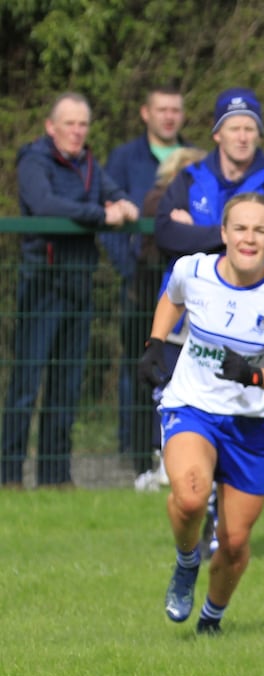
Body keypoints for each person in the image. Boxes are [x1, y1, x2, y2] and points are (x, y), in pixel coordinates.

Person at [137, 192, 264, 633]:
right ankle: (186, 560)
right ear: (223, 233)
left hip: (251, 424)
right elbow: (171, 297)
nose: (249, 238)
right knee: (192, 494)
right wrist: (156, 343)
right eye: (240, 228)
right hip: (192, 406)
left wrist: (254, 378)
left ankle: (211, 620)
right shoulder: (193, 269)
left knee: (235, 542)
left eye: (260, 230)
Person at [1, 92, 139, 489]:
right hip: (41, 284)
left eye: (83, 124)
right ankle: (8, 476)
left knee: (66, 384)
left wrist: (123, 205)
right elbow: (44, 205)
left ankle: (55, 477)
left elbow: (118, 196)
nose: (78, 131)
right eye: (70, 124)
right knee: (27, 384)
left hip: (80, 285)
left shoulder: (90, 165)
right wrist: (100, 214)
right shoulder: (33, 161)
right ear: (51, 127)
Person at [102, 86, 187, 459]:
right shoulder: (123, 158)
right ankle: (131, 446)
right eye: (161, 109)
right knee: (137, 364)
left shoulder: (195, 158)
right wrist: (127, 264)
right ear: (145, 113)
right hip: (141, 281)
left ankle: (167, 447)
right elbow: (107, 210)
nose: (169, 116)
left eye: (175, 110)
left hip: (181, 284)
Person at [131, 145, 207, 493]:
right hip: (178, 312)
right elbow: (165, 237)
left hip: (208, 313)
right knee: (167, 386)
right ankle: (163, 461)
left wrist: (198, 231)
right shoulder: (163, 201)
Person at [154, 87, 264, 265]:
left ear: (259, 136)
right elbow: (165, 236)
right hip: (186, 291)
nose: (242, 138)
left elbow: (263, 247)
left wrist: (193, 233)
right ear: (217, 134)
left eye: (249, 129)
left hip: (242, 291)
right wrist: (237, 237)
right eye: (234, 129)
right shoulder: (188, 177)